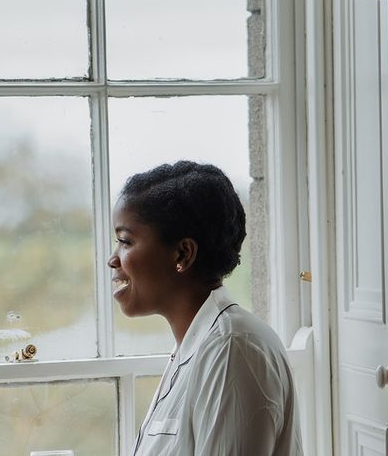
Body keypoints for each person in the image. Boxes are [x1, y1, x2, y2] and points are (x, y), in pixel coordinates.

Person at [109, 161, 303, 456]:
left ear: (183, 254)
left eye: (125, 241)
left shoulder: (232, 350)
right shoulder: (198, 345)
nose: (113, 259)